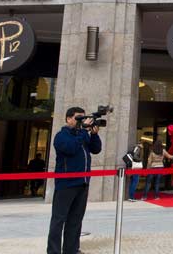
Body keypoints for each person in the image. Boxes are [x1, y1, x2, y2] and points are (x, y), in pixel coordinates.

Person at [47, 107, 102, 254]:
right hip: (66, 184)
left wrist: (94, 135)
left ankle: (71, 250)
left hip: (83, 183)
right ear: (68, 119)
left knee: (76, 220)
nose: (81, 121)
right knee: (59, 220)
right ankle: (53, 251)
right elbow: (71, 148)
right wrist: (84, 131)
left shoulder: (81, 135)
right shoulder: (61, 136)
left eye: (83, 118)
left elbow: (96, 149)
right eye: (78, 118)